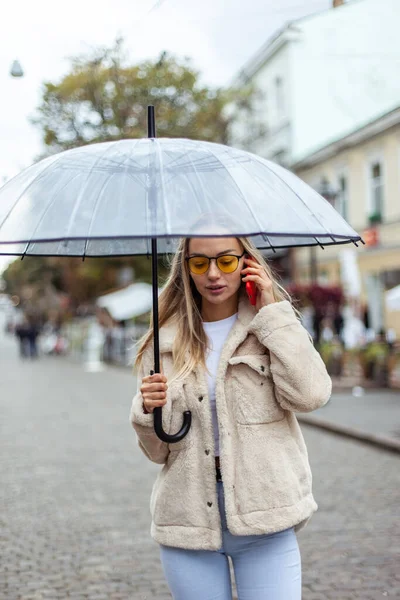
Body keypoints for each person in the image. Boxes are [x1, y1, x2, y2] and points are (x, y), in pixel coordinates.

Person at [130, 234, 332, 600]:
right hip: (188, 525)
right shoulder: (164, 343)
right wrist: (147, 411)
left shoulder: (268, 330)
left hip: (265, 520)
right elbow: (158, 452)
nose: (213, 274)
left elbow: (311, 394)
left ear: (246, 263)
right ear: (185, 267)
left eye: (225, 261)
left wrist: (272, 313)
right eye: (199, 262)